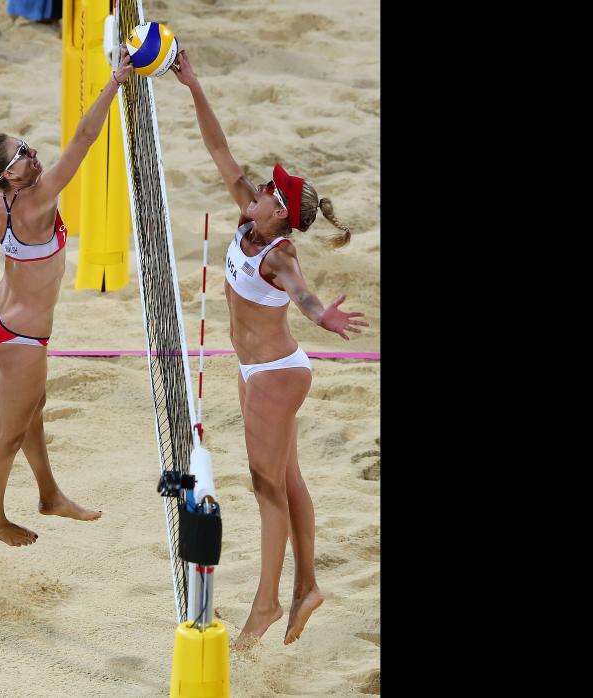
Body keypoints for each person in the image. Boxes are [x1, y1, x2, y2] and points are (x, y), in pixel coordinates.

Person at [169, 50, 369, 646]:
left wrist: (323, 316)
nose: (255, 187)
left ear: (279, 212)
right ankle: (306, 586)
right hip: (259, 370)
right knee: (289, 481)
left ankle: (266, 603)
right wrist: (193, 84)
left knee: (266, 489)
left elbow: (303, 296)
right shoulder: (248, 219)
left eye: (267, 191)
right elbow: (218, 148)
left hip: (277, 372)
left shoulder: (279, 253)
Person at [0, 48, 133, 547]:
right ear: (9, 175)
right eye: (22, 156)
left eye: (29, 148)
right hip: (19, 335)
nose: (33, 156)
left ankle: (50, 493)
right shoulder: (38, 199)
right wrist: (115, 80)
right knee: (8, 433)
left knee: (35, 405)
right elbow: (84, 138)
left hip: (1, 319)